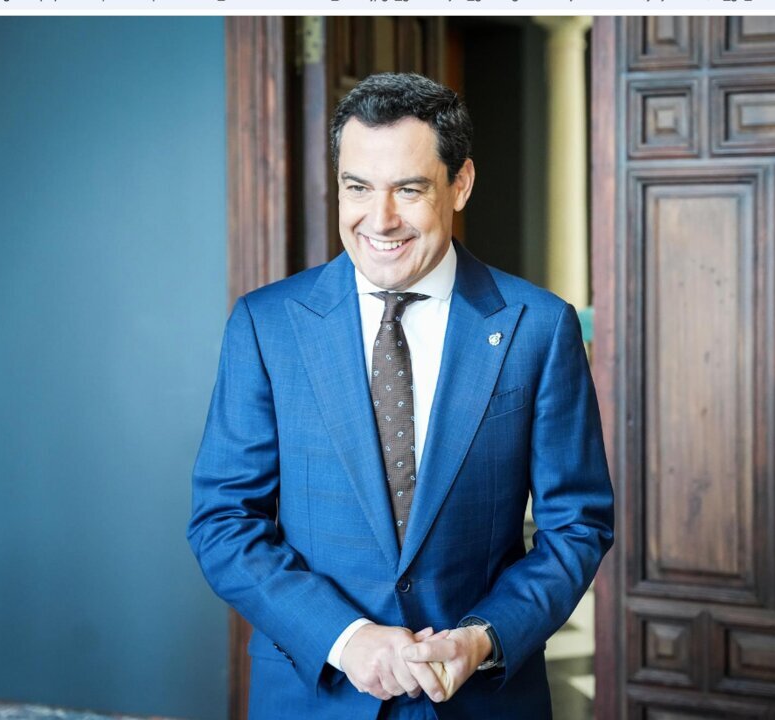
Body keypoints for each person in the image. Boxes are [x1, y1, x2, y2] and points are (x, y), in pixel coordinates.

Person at [188, 72, 614, 720]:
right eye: (357, 187)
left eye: (408, 190)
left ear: (460, 184)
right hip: (315, 695)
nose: (379, 219)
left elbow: (578, 525)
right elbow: (224, 521)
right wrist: (346, 639)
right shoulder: (266, 324)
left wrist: (484, 637)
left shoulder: (538, 326)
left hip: (480, 699)